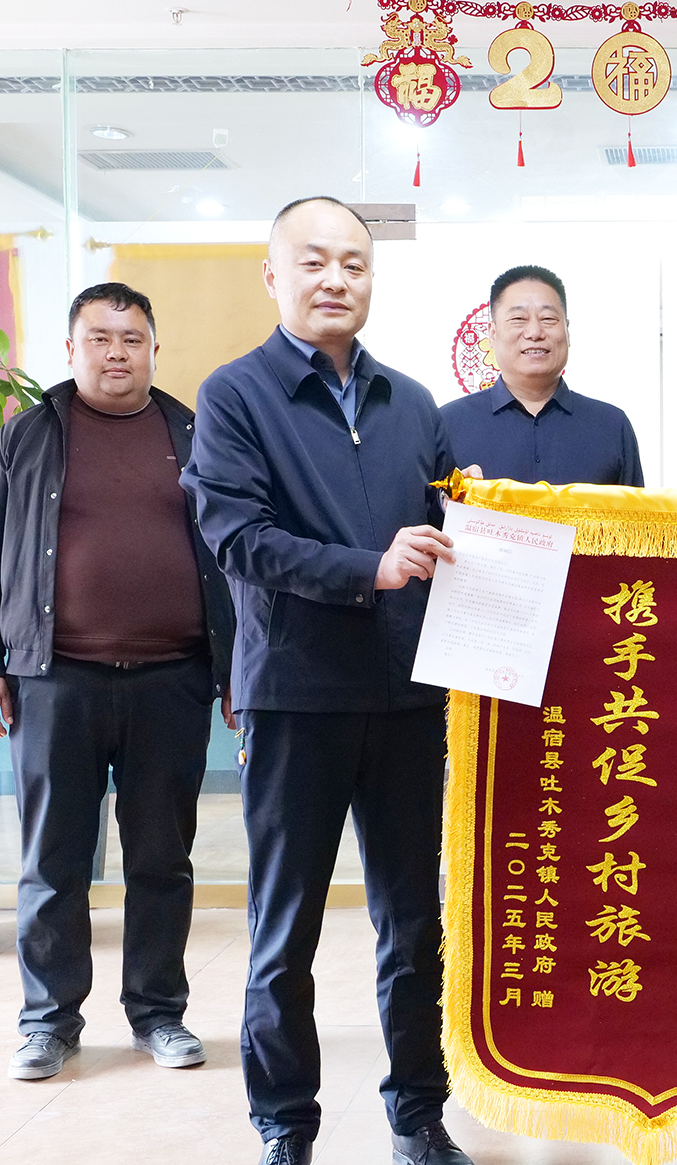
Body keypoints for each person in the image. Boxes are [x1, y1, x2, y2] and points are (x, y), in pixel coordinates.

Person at [181, 196, 472, 1165]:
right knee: (285, 926)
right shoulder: (235, 395)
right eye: (313, 261)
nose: (336, 278)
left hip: (407, 696)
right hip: (296, 695)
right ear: (274, 276)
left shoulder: (414, 403)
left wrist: (492, 517)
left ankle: (417, 1115)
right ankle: (286, 1124)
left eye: (354, 262)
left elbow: (452, 535)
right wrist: (369, 568)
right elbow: (237, 538)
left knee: (414, 924)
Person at [0, 281, 236, 1082]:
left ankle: (159, 1013)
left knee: (162, 860)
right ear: (71, 348)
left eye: (132, 338)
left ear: (154, 348)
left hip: (172, 681)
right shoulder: (29, 435)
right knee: (53, 862)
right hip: (55, 681)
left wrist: (234, 670)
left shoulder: (194, 433)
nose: (117, 352)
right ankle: (49, 1021)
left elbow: (233, 558)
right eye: (100, 338)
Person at [439, 264, 644, 486]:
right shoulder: (448, 424)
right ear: (493, 333)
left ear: (567, 330)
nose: (534, 332)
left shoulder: (611, 425)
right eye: (518, 319)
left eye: (548, 319)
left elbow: (634, 508)